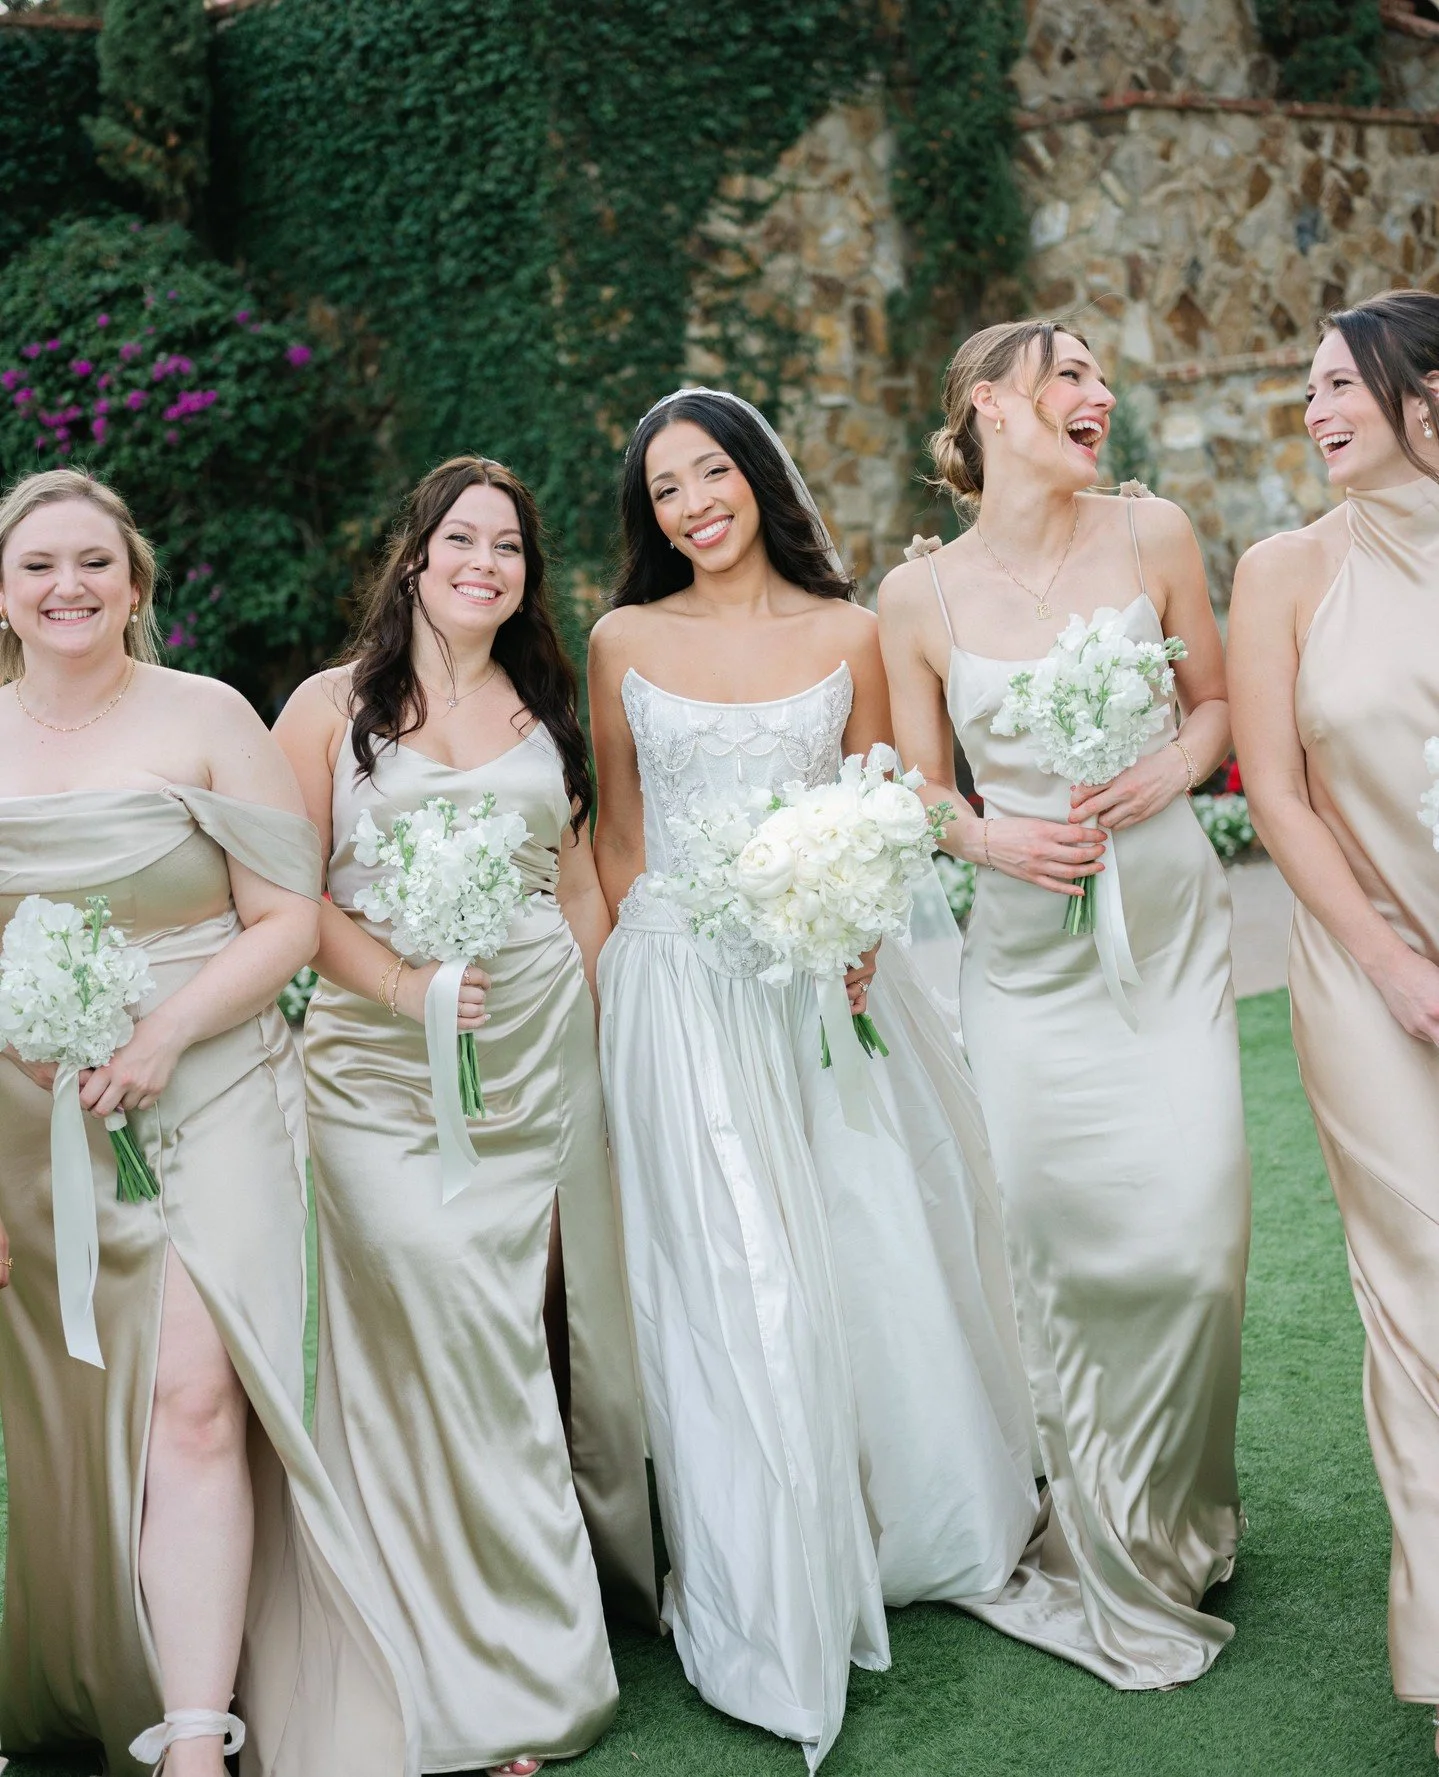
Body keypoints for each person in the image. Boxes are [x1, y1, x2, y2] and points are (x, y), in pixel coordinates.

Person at [590, 387, 1039, 1770]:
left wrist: (848, 936)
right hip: (675, 991)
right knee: (733, 1280)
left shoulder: (850, 634)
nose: (691, 505)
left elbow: (887, 812)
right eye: (665, 490)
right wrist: (636, 982)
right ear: (648, 518)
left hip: (823, 989)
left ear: (757, 477)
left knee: (860, 1247)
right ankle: (754, 1568)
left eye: (709, 472)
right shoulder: (618, 639)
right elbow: (615, 837)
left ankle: (897, 1518)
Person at [0, 469, 417, 1777]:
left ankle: (194, 1737)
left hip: (214, 1074)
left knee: (193, 1399)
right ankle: (89, 1662)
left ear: (135, 582)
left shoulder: (207, 715)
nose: (68, 587)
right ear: (2, 594)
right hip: (39, 1110)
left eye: (93, 563)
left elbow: (287, 914)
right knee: (76, 1405)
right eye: (37, 566)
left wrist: (169, 1030)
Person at [878, 319, 1251, 1689]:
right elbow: (921, 788)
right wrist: (989, 841)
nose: (1099, 396)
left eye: (1101, 376)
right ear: (990, 406)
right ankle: (1108, 1537)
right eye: (1069, 377)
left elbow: (1211, 705)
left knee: (1196, 1249)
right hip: (1023, 951)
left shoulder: (1152, 534)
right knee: (1054, 1247)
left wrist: (1171, 771)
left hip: (1162, 923)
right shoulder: (915, 597)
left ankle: (1188, 1511)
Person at [274, 455, 654, 1777]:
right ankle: (457, 1657)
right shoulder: (329, 711)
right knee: (436, 1327)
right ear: (415, 557)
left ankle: (515, 1652)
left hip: (538, 1061)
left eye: (508, 547)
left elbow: (574, 886)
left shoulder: (542, 700)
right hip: (377, 1079)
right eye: (461, 541)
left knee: (509, 1333)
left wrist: (610, 1036)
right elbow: (289, 906)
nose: (484, 564)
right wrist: (410, 988)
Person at [1230, 290, 1439, 1757]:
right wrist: (1392, 964)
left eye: (1336, 387)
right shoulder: (1280, 570)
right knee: (1422, 1291)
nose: (1312, 410)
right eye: (1302, 388)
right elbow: (1275, 790)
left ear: (1422, 399)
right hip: (1368, 979)